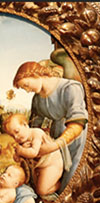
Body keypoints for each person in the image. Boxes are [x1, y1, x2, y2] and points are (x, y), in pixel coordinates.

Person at [13, 60, 88, 192]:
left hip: (75, 138)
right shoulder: (37, 99)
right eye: (24, 88)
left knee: (71, 177)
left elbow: (78, 123)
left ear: (35, 74)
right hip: (55, 135)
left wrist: (53, 146)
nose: (27, 90)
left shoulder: (70, 88)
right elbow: (33, 126)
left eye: (26, 85)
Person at [3, 113, 64, 196]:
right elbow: (17, 159)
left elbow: (34, 152)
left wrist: (21, 151)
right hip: (40, 166)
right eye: (12, 136)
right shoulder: (21, 140)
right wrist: (17, 155)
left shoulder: (36, 133)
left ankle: (60, 186)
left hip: (52, 164)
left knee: (41, 191)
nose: (16, 137)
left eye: (17, 132)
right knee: (34, 187)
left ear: (25, 125)